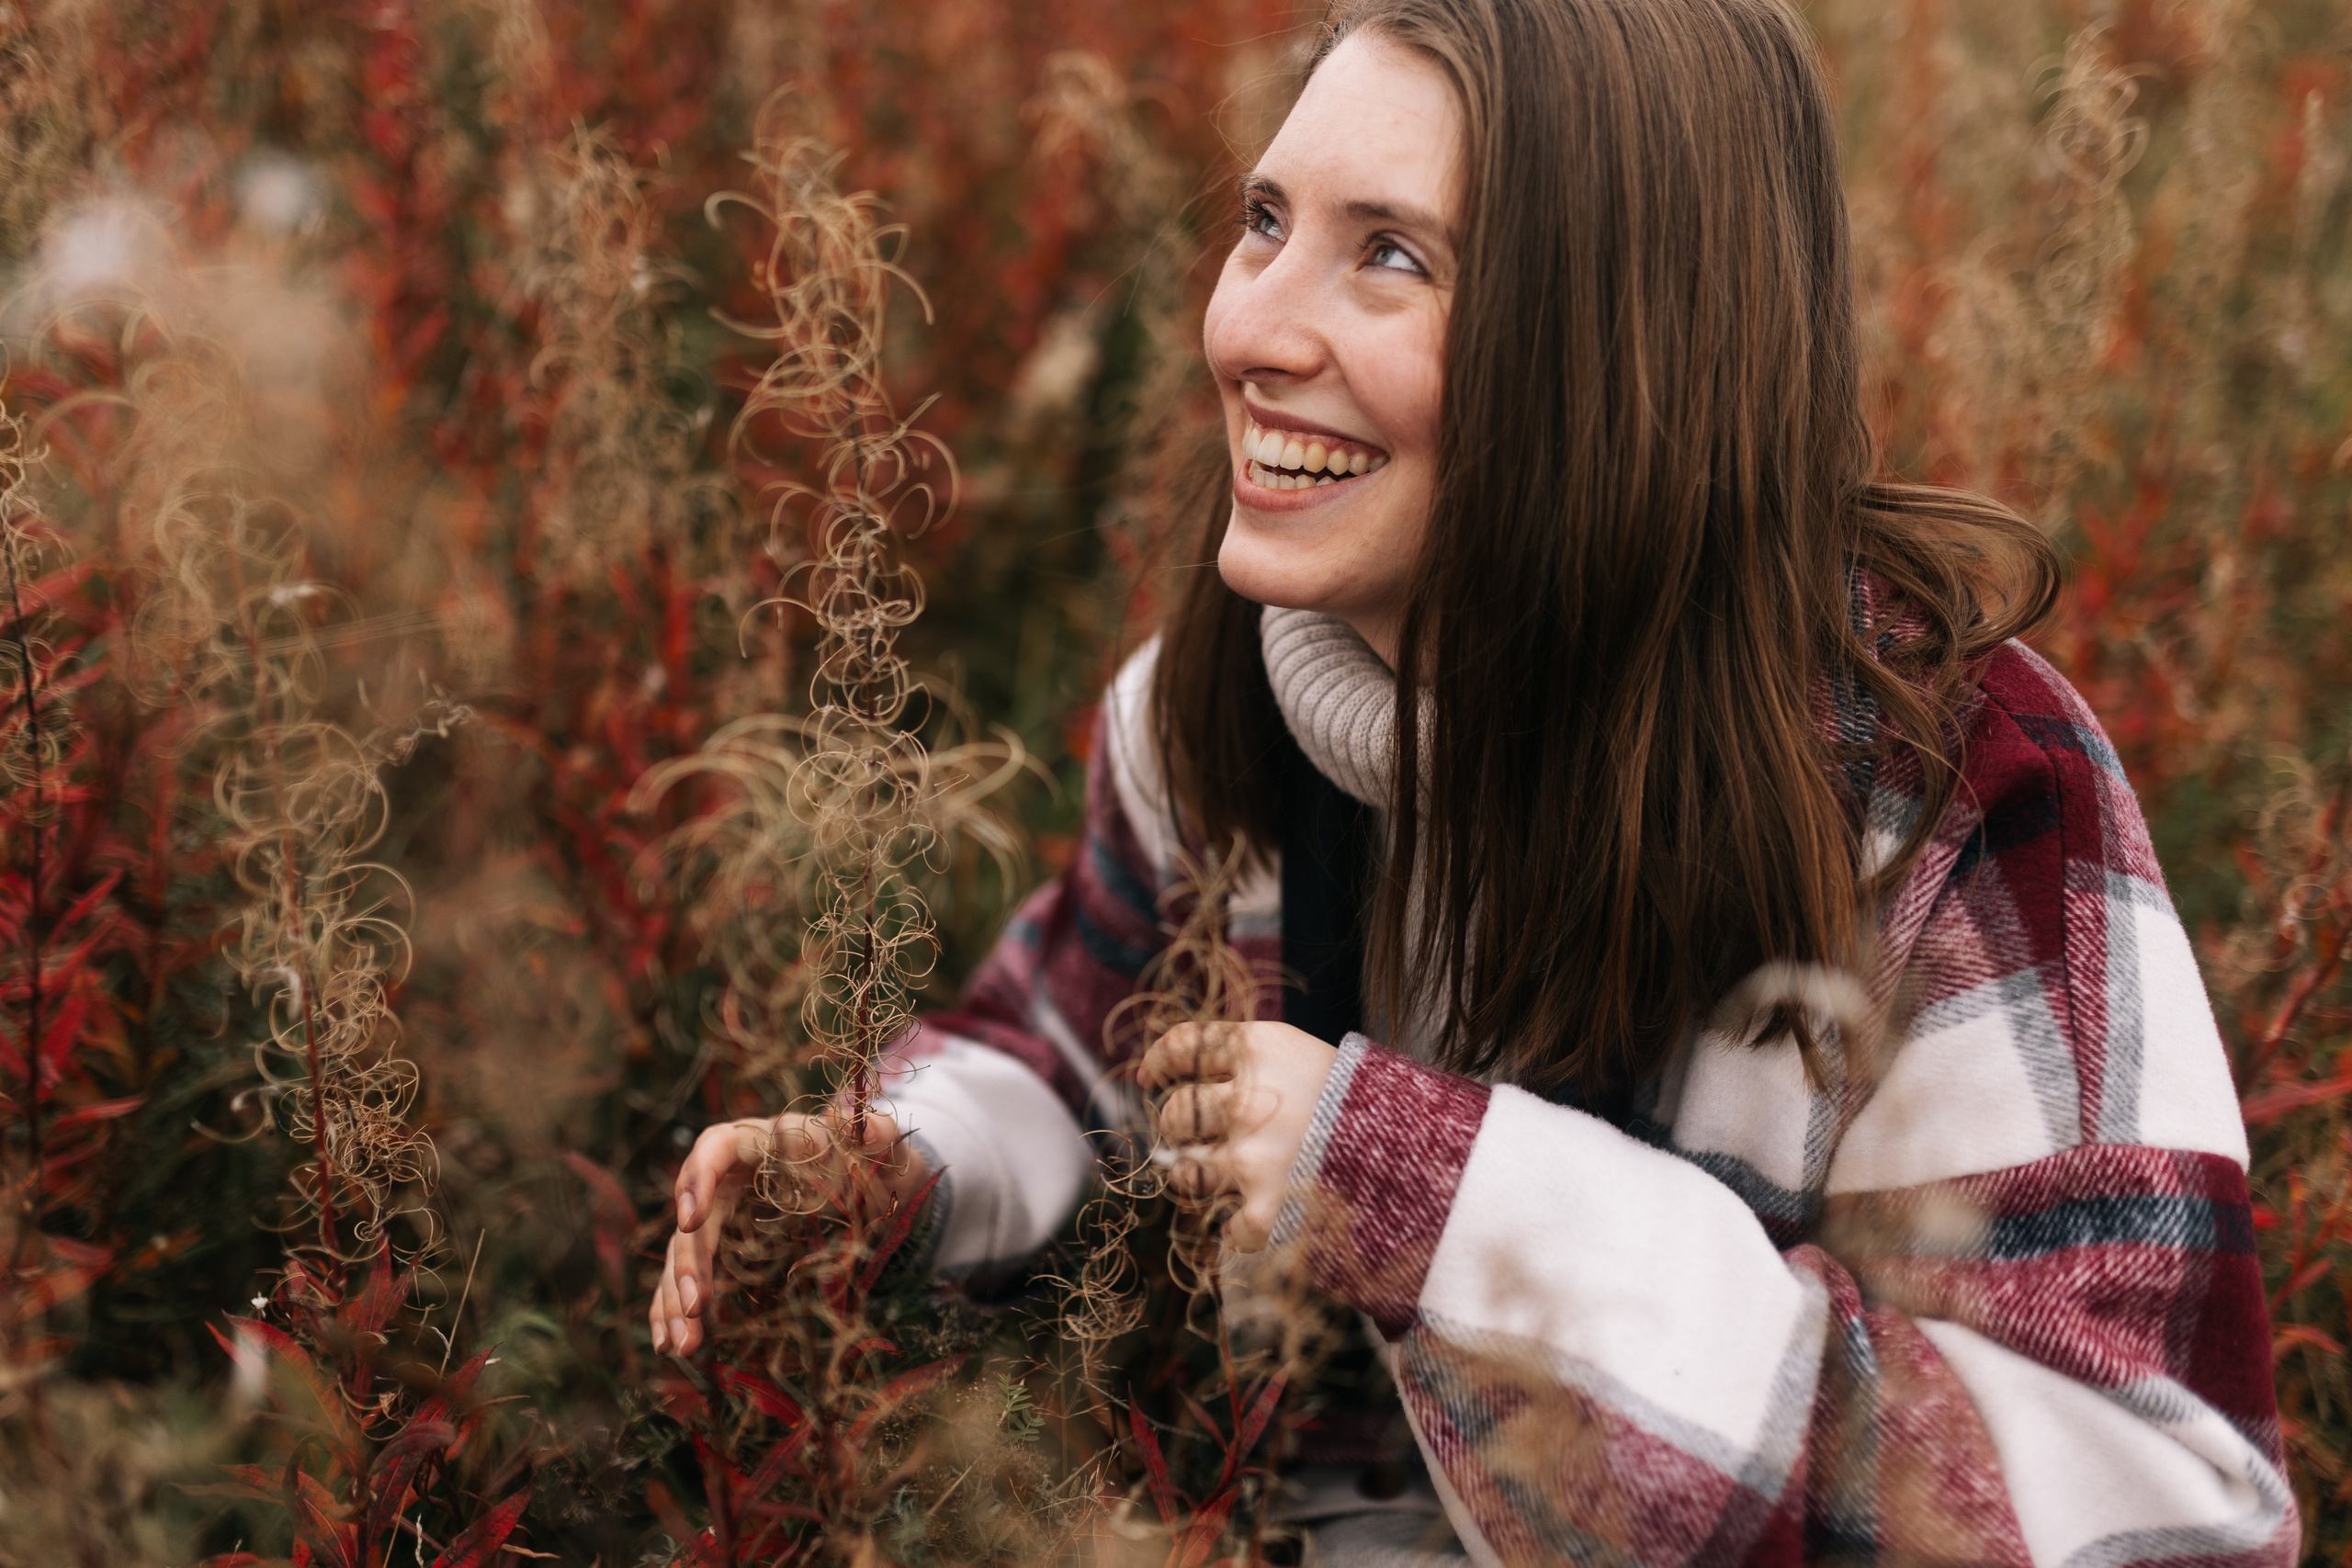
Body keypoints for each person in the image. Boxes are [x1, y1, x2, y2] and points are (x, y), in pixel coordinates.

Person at [651, 0, 2295, 1560]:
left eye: (1390, 256)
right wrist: (901, 1164)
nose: (1248, 328)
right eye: (1264, 220)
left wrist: (1432, 1196)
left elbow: (2154, 1519)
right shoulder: (1220, 706)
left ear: (1624, 346)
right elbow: (1070, 1036)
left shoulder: (1945, 805)